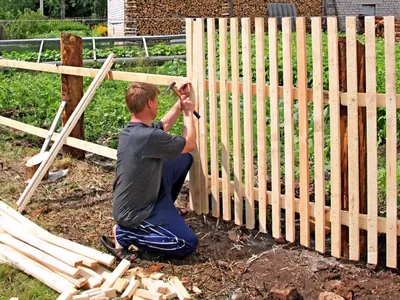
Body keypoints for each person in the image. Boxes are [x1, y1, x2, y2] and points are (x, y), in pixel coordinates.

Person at [101, 81, 198, 260]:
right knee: (187, 243)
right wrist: (188, 114)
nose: (158, 103)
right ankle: (124, 234)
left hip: (147, 197)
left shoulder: (134, 131)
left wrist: (179, 104)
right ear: (149, 104)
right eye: (156, 100)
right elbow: (189, 143)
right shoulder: (148, 137)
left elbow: (163, 125)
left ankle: (167, 208)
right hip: (135, 213)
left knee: (182, 158)